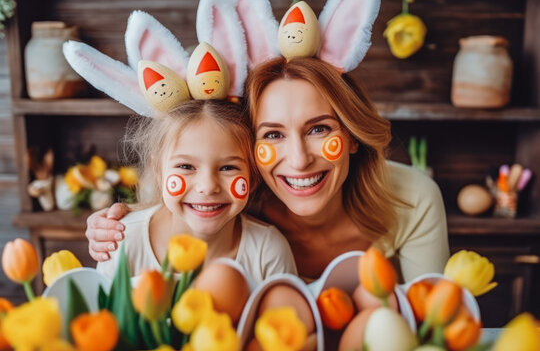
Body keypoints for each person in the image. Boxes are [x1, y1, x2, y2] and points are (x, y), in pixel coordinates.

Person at [88, 57, 449, 283]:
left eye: (319, 128)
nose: (298, 159)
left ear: (353, 135)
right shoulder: (232, 203)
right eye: (273, 134)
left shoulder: (412, 199)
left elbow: (437, 320)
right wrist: (111, 225)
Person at [96, 99, 297, 283]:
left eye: (228, 168)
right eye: (186, 166)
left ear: (253, 177)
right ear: (158, 170)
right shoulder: (120, 242)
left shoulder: (268, 252)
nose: (208, 186)